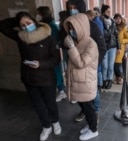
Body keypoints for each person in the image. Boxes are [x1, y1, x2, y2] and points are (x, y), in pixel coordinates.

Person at [0, 12, 61, 141]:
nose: (26, 27)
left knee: (50, 103)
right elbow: (2, 26)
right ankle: (46, 126)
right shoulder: (21, 37)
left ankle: (55, 122)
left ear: (35, 21)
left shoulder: (48, 37)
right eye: (23, 25)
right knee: (38, 104)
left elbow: (56, 59)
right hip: (29, 78)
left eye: (28, 23)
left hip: (47, 78)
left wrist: (41, 64)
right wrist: (17, 20)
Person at [67, 0, 106, 122]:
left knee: (92, 92)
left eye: (75, 7)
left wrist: (94, 65)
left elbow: (101, 47)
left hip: (89, 65)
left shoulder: (92, 26)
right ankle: (85, 111)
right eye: (70, 7)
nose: (72, 10)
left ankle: (95, 111)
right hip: (75, 64)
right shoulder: (69, 24)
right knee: (80, 93)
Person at [63, 13, 99, 140]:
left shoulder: (91, 44)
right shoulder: (78, 41)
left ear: (81, 27)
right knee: (84, 106)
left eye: (73, 28)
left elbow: (81, 63)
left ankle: (94, 130)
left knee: (88, 108)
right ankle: (90, 125)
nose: (71, 31)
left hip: (86, 82)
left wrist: (72, 47)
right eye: (70, 28)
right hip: (79, 82)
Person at [36, 6, 67, 102]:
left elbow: (54, 40)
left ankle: (61, 91)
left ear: (42, 14)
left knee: (56, 72)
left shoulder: (51, 26)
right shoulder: (44, 24)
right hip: (47, 53)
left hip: (52, 53)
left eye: (38, 14)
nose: (36, 16)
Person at [100, 4, 120, 89]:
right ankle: (104, 80)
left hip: (112, 47)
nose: (109, 13)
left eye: (110, 11)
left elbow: (116, 35)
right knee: (105, 66)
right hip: (104, 47)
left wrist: (119, 47)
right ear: (103, 12)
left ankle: (110, 80)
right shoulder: (100, 21)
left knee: (111, 66)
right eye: (107, 11)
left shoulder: (113, 22)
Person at [113, 13, 128, 84]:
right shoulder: (113, 26)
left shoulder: (124, 28)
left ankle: (120, 77)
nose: (117, 20)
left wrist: (121, 41)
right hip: (113, 47)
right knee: (114, 64)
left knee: (117, 64)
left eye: (119, 19)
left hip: (121, 48)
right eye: (116, 19)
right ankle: (117, 78)